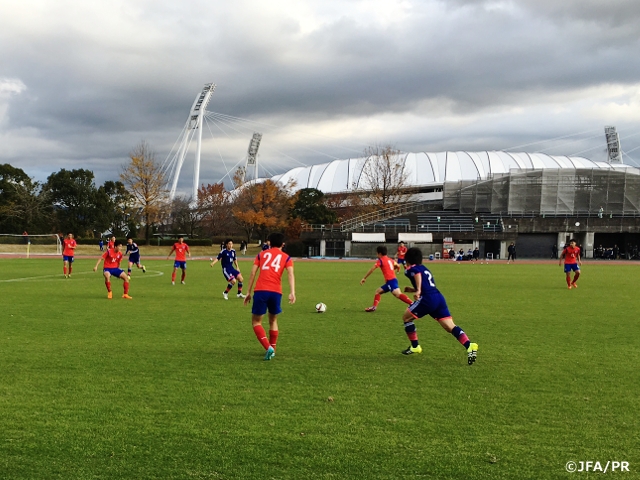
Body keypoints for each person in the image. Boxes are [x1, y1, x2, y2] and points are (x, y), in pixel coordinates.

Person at [401, 247, 478, 364]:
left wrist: (417, 291)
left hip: (428, 299)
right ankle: (469, 345)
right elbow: (427, 284)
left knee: (406, 318)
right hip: (438, 298)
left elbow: (417, 275)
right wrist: (413, 289)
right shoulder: (425, 268)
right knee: (450, 326)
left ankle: (415, 346)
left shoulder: (412, 269)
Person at [243, 232, 295, 361]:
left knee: (256, 321)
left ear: (269, 243)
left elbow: (253, 273)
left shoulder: (261, 255)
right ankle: (273, 349)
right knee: (273, 320)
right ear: (283, 244)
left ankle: (268, 348)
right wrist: (292, 292)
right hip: (276, 292)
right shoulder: (286, 258)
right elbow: (290, 274)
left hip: (261, 290)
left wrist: (248, 292)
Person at [360, 246, 413, 312]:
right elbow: (398, 265)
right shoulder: (390, 260)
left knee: (398, 294)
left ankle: (413, 304)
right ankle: (374, 307)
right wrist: (395, 269)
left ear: (379, 253)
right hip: (392, 280)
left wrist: (364, 278)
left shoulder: (381, 260)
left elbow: (372, 269)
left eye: (377, 253)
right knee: (378, 292)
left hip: (391, 281)